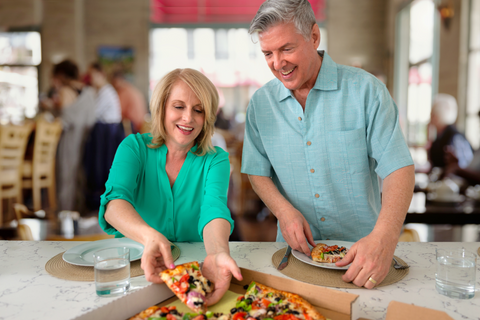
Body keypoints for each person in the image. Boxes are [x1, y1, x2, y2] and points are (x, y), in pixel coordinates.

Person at [241, 0, 415, 289]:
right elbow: (256, 171)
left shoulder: (366, 91)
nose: (277, 63)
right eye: (267, 53)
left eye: (286, 49)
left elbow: (399, 169)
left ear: (313, 36)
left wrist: (384, 238)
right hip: (293, 258)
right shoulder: (261, 104)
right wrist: (284, 211)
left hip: (364, 256)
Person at [99, 68, 242, 305]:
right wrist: (150, 237)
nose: (188, 118)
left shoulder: (216, 159)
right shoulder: (133, 147)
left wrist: (217, 254)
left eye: (199, 110)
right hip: (136, 269)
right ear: (162, 107)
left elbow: (214, 210)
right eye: (178, 106)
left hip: (197, 269)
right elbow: (114, 204)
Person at [45, 59, 97, 211]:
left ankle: (64, 213)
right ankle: (78, 211)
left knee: (65, 178)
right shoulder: (89, 92)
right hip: (86, 141)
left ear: (60, 75)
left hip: (69, 142)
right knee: (79, 178)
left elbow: (63, 121)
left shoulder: (64, 91)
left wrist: (50, 108)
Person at [428, 93, 473, 170]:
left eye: (432, 114)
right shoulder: (439, 137)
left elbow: (465, 167)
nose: (430, 118)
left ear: (437, 117)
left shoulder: (455, 138)